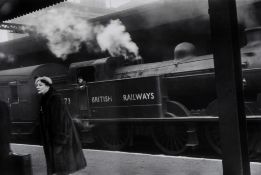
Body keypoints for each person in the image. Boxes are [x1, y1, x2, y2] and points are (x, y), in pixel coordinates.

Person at [35, 76, 86, 175]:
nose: (37, 87)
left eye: (40, 85)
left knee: (61, 167)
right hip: (52, 139)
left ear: (48, 86)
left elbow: (60, 121)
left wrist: (60, 141)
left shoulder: (55, 98)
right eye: (36, 85)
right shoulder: (44, 99)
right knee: (57, 167)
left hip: (59, 139)